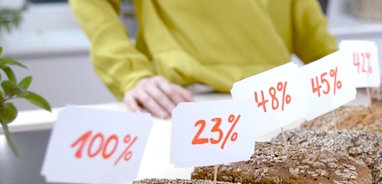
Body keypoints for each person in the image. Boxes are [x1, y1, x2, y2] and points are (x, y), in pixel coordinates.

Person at [69, 0, 338, 119]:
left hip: (275, 99)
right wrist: (130, 73)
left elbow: (304, 16)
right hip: (185, 102)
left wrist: (340, 69)